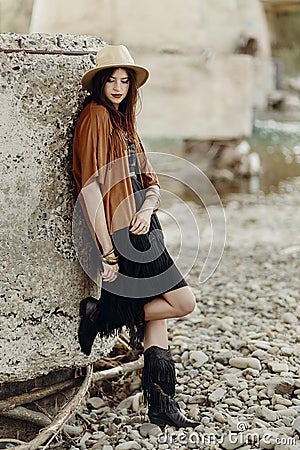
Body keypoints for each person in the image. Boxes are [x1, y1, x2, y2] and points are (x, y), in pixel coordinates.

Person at [73, 45, 200, 429]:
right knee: (182, 302)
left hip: (145, 228)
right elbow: (91, 188)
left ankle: (162, 404)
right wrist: (108, 253)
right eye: (110, 79)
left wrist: (147, 208)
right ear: (99, 83)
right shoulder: (96, 116)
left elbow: (152, 182)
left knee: (156, 319)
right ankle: (104, 316)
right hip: (121, 235)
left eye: (124, 80)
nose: (117, 86)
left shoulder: (124, 122)